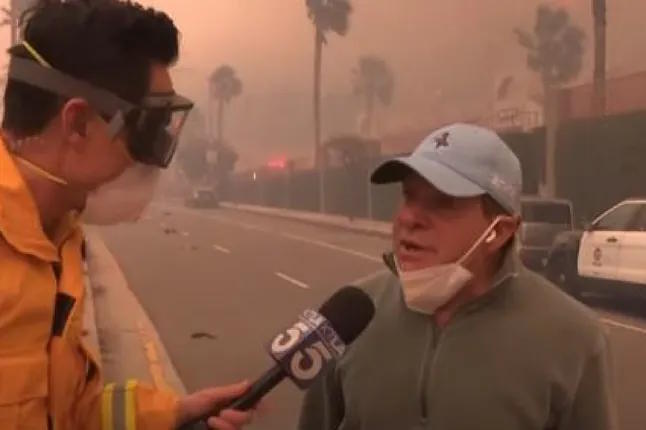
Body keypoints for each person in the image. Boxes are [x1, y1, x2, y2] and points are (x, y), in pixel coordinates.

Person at [0, 1, 252, 429]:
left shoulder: (58, 240)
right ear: (78, 123)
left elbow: (68, 411)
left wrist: (173, 413)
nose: (153, 161)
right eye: (146, 130)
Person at [299, 123, 615, 430]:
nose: (409, 218)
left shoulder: (576, 339)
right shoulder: (347, 318)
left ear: (500, 231)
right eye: (409, 196)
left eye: (443, 203)